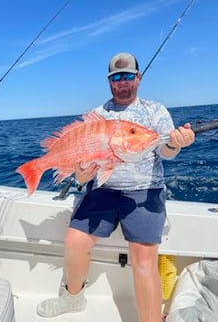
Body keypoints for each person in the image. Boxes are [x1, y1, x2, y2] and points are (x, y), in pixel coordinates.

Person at [36, 52, 195, 322]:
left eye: (129, 76)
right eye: (116, 77)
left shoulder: (155, 111)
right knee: (74, 242)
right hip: (103, 191)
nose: (123, 82)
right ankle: (73, 298)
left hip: (146, 191)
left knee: (144, 259)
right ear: (110, 81)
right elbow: (83, 176)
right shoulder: (98, 116)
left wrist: (177, 142)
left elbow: (166, 149)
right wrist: (82, 174)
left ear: (139, 77)